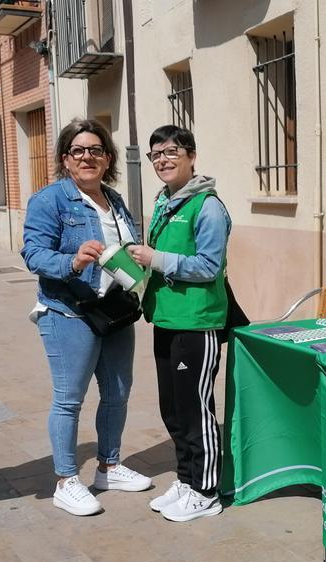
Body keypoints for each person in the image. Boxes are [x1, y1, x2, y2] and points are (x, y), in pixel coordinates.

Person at [21, 119, 153, 517]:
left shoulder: (113, 199)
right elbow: (33, 254)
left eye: (95, 150)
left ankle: (109, 467)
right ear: (65, 159)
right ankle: (65, 480)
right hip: (68, 311)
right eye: (78, 150)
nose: (87, 157)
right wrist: (73, 261)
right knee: (69, 400)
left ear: (107, 158)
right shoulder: (50, 200)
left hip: (113, 311)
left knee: (118, 393)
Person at [127, 125, 232, 523]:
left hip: (197, 323)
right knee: (172, 409)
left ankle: (207, 491)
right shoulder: (166, 203)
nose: (162, 160)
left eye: (171, 151)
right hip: (167, 319)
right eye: (156, 155)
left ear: (191, 156)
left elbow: (209, 266)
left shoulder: (207, 206)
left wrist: (155, 259)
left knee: (196, 410)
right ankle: (187, 479)